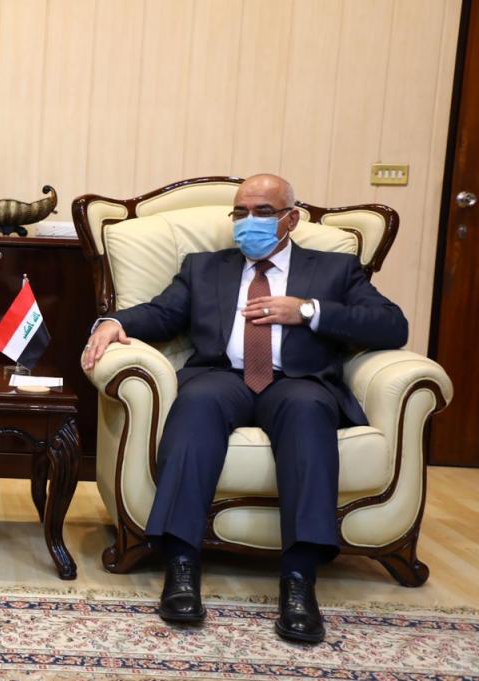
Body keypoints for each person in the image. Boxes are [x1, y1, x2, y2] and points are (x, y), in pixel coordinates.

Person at [81, 174, 408, 643]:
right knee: (195, 403)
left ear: (291, 219)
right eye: (240, 213)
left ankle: (299, 579)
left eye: (262, 212)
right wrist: (113, 321)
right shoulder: (204, 268)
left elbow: (392, 326)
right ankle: (181, 565)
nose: (248, 222)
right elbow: (161, 313)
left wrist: (308, 311)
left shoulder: (334, 269)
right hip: (223, 377)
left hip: (296, 381)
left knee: (308, 412)